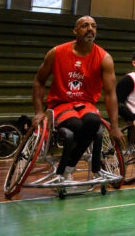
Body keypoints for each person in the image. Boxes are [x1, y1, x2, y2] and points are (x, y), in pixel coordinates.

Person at [31, 16, 123, 182]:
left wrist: (115, 126)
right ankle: (69, 169)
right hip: (61, 103)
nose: (90, 29)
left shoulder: (104, 57)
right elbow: (39, 81)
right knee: (77, 126)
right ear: (75, 30)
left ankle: (68, 167)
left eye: (93, 26)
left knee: (94, 122)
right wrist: (38, 111)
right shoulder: (56, 52)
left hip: (86, 104)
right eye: (85, 25)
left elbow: (110, 93)